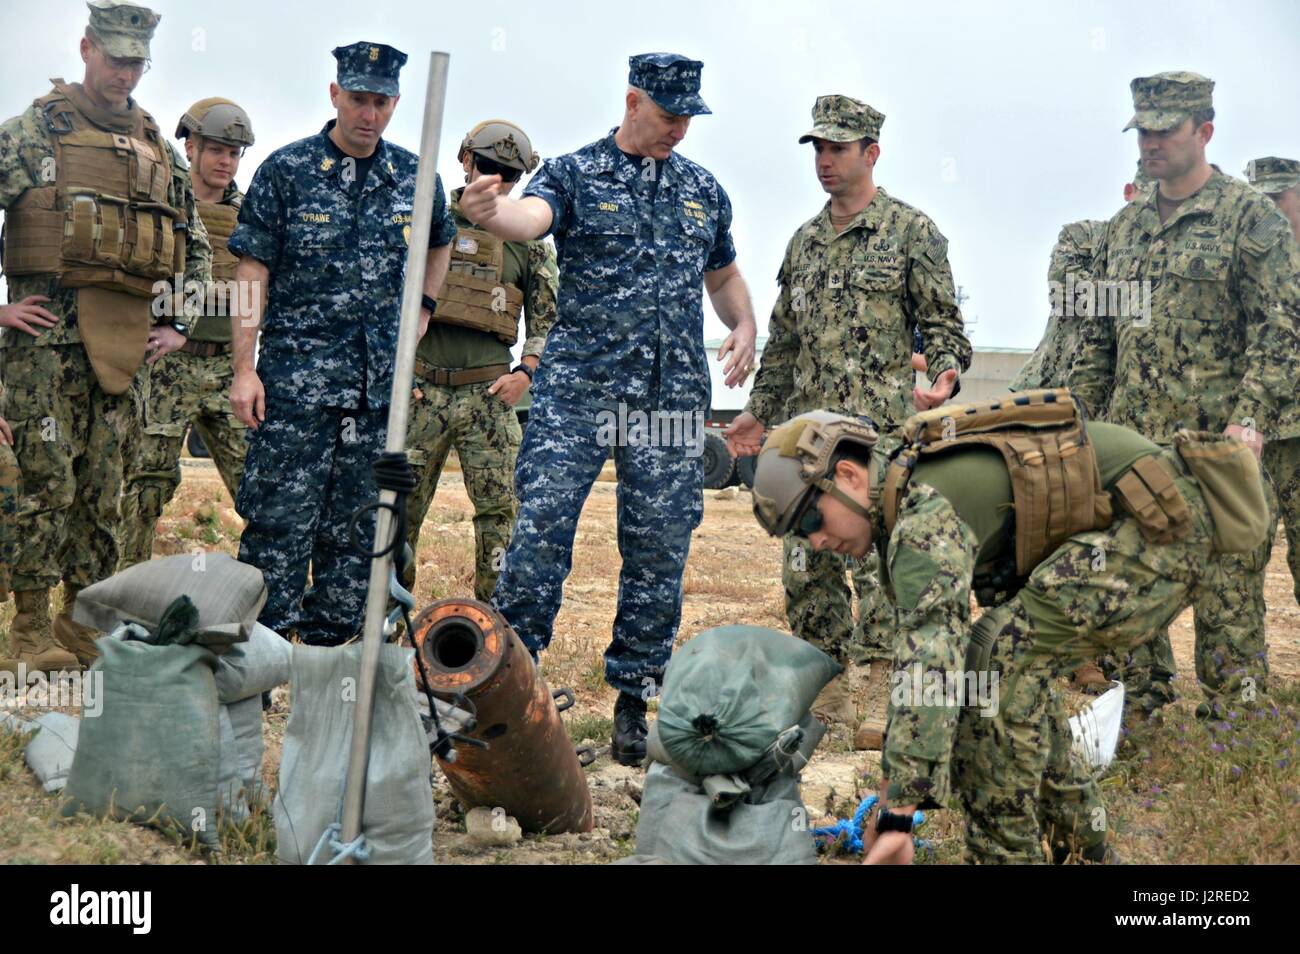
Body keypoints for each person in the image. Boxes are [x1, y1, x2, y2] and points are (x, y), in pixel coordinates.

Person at [750, 398, 1270, 863]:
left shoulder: (921, 512)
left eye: (810, 521)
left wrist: (899, 812)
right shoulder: (905, 492)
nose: (814, 543)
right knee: (1009, 670)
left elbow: (933, 660)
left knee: (997, 662)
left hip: (1164, 528)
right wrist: (897, 791)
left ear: (848, 475)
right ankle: (1085, 849)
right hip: (1157, 524)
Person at [458, 53, 758, 765]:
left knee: (658, 549)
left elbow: (723, 275)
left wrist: (743, 323)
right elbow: (530, 217)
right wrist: (492, 211)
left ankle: (633, 701)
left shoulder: (702, 191)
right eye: (667, 114)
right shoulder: (575, 171)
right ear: (632, 101)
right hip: (580, 391)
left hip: (669, 396)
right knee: (540, 531)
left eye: (689, 117)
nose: (679, 129)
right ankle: (511, 688)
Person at [723, 94, 971, 750]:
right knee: (808, 570)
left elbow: (944, 323)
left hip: (878, 444)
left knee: (886, 570)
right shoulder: (803, 242)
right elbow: (783, 342)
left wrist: (945, 371)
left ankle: (887, 698)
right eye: (819, 149)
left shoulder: (912, 232)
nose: (826, 161)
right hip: (806, 446)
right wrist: (757, 412)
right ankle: (822, 695)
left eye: (838, 149)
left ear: (872, 153)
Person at [1069, 72, 1300, 720]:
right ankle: (1133, 720)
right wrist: (1082, 424)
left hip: (1217, 453)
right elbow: (1099, 341)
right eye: (1142, 130)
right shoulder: (1123, 229)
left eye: (1164, 130)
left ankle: (1234, 740)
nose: (1150, 143)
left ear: (1204, 131)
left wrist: (1249, 422)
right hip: (1138, 450)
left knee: (1229, 601)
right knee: (1132, 589)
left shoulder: (1250, 220)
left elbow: (1280, 330)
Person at [0, 0, 210, 671]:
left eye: (137, 62)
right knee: (45, 484)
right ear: (86, 47)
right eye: (116, 57)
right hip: (42, 351)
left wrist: (177, 322)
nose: (125, 73)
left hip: (124, 351)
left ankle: (82, 622)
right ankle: (28, 632)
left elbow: (195, 246)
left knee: (104, 489)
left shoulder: (158, 150)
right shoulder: (30, 133)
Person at [227, 42, 455, 645]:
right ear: (335, 95)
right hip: (295, 387)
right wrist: (243, 369)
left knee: (358, 528)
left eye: (381, 102)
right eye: (358, 99)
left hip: (376, 391)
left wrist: (425, 306)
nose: (369, 114)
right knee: (279, 521)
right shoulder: (287, 170)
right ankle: (265, 653)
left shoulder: (415, 176)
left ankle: (332, 655)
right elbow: (251, 271)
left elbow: (442, 239)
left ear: (396, 103)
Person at [403, 119, 557, 602]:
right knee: (397, 510)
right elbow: (386, 296)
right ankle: (389, 617)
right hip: (421, 390)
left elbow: (549, 317)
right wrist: (398, 370)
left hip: (488, 396)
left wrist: (526, 372)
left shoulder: (529, 240)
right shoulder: (428, 219)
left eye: (508, 174)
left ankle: (492, 628)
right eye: (487, 167)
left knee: (500, 514)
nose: (495, 180)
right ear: (465, 160)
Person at [118, 97, 256, 569]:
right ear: (190, 146)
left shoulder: (253, 215)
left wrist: (249, 367)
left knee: (258, 489)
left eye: (235, 153)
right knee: (143, 487)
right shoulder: (159, 204)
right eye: (217, 149)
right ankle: (124, 601)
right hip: (165, 363)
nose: (226, 161)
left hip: (228, 366)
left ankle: (270, 611)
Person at [1244, 156, 1300, 610]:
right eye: (1260, 201)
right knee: (1242, 557)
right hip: (1252, 433)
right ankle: (1244, 677)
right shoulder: (1243, 263)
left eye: (1278, 199)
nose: (1269, 211)